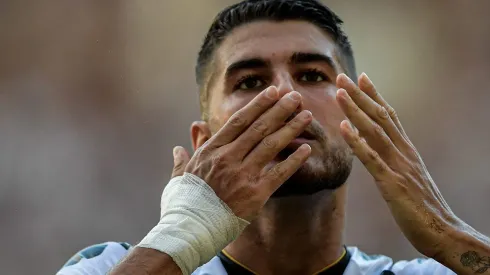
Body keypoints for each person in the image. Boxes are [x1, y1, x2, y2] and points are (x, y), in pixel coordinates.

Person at [57, 0, 490, 274]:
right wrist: (179, 238)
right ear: (204, 141)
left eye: (311, 74)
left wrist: (447, 232)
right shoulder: (109, 266)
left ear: (359, 121)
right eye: (248, 81)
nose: (284, 94)